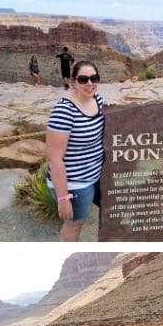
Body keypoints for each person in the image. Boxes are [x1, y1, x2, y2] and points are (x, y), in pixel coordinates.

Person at [46, 61, 104, 242]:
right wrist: (63, 199)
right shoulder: (64, 111)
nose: (89, 83)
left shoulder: (97, 100)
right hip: (74, 184)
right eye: (83, 79)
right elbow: (55, 159)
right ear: (73, 82)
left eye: (94, 78)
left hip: (95, 176)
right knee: (75, 224)